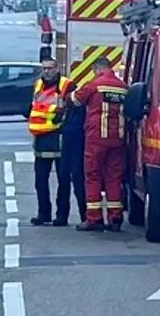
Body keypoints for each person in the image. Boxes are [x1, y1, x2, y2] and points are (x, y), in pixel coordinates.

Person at [71, 57, 128, 232]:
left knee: (93, 176)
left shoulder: (95, 84)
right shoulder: (123, 87)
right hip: (117, 138)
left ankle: (94, 218)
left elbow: (76, 99)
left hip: (96, 138)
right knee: (113, 177)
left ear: (96, 69)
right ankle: (115, 217)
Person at [26, 58, 73, 226]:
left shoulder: (67, 85)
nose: (47, 71)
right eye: (44, 68)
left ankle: (62, 216)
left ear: (57, 68)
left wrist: (62, 115)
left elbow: (73, 109)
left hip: (59, 137)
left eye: (50, 68)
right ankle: (43, 213)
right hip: (41, 137)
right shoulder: (38, 84)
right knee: (40, 180)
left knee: (63, 180)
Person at [60, 98, 87, 224]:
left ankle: (85, 216)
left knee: (77, 178)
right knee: (65, 176)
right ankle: (62, 216)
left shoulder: (76, 94)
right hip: (66, 135)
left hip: (76, 137)